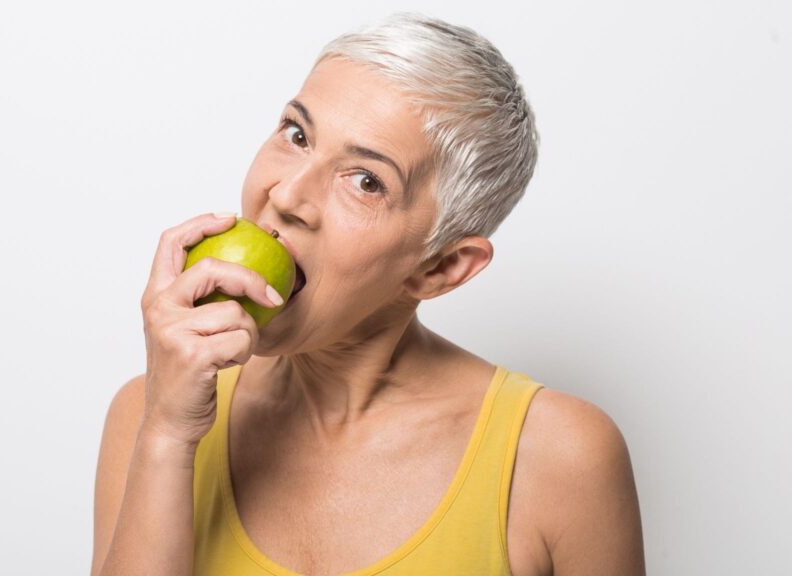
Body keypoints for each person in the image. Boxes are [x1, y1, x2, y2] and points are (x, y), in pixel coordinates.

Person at [92, 12, 644, 576]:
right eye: (297, 134)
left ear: (441, 267)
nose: (285, 195)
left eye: (366, 181)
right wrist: (167, 436)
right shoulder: (150, 413)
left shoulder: (559, 456)